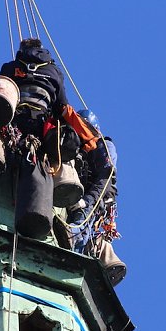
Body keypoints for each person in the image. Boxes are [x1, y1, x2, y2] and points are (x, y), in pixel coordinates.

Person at [67, 110, 126, 285]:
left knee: (78, 228)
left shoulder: (103, 145)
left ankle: (71, 266)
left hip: (95, 198)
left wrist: (88, 201)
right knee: (78, 228)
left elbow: (106, 178)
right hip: (81, 196)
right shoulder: (80, 150)